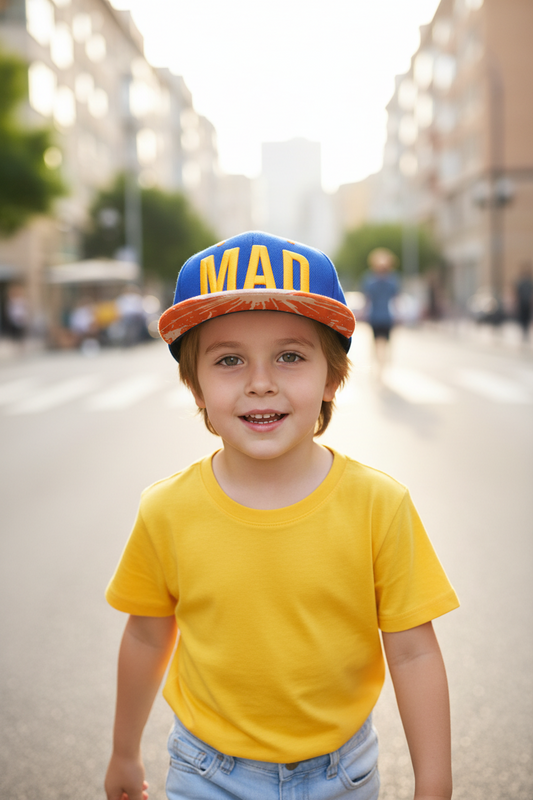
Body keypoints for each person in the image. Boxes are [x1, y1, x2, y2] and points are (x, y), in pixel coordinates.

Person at [104, 231, 459, 800]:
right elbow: (147, 637)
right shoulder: (166, 509)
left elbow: (414, 651)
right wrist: (124, 754)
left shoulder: (379, 505)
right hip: (205, 774)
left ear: (332, 377)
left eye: (290, 356)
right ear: (194, 386)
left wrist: (434, 784)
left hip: (342, 774)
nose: (260, 381)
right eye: (229, 360)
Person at [362, 248, 400, 377]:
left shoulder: (370, 279)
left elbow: (367, 300)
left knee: (379, 343)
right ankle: (381, 365)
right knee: (382, 342)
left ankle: (380, 365)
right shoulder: (392, 279)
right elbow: (395, 300)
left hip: (379, 316)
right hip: (383, 316)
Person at [515, 263, 533, 341]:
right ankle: (523, 331)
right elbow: (517, 293)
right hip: (522, 303)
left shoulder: (530, 283)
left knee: (527, 317)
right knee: (522, 318)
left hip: (527, 303)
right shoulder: (520, 283)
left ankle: (525, 331)